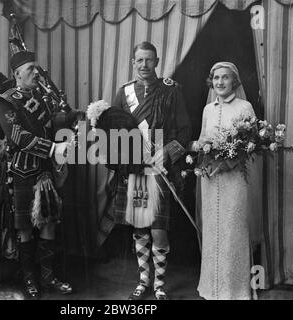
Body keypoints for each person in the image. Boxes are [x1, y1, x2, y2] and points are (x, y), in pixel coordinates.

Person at [111, 42, 191, 300]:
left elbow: (185, 130)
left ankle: (159, 285)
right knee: (141, 228)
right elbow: (114, 132)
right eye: (139, 60)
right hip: (137, 169)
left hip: (160, 170)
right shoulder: (123, 94)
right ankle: (144, 280)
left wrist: (167, 152)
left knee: (159, 229)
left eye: (149, 60)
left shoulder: (171, 91)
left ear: (157, 62)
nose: (144, 65)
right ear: (133, 62)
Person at [0, 51, 73, 299]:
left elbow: (56, 124)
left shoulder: (45, 98)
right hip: (21, 172)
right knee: (25, 227)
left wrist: (71, 119)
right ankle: (30, 281)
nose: (37, 73)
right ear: (17, 74)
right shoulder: (6, 101)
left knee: (48, 223)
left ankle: (48, 278)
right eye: (31, 69)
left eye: (37, 69)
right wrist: (52, 148)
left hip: (46, 171)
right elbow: (17, 136)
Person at [194, 62, 256, 300]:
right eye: (216, 78)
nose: (220, 82)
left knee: (232, 231)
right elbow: (201, 140)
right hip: (210, 179)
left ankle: (236, 291)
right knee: (212, 232)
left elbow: (248, 146)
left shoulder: (245, 107)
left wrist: (226, 162)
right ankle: (211, 288)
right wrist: (202, 156)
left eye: (225, 78)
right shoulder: (208, 109)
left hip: (235, 180)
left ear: (235, 81)